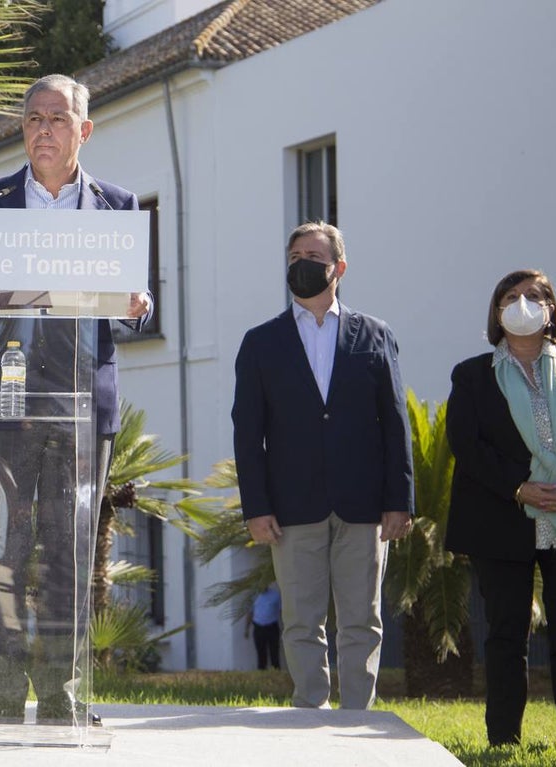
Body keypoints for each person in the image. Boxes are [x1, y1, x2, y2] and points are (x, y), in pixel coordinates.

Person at [0, 74, 153, 727]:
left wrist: (140, 306)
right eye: (33, 118)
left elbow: (137, 305)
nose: (44, 130)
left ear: (84, 130)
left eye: (59, 118)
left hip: (84, 408)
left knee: (68, 554)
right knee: (4, 550)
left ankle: (61, 696)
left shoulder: (118, 206)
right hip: (6, 406)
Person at [231, 221, 413, 710]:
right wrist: (256, 506)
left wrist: (400, 500)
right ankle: (309, 714)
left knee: (361, 620)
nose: (302, 264)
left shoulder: (376, 335)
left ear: (339, 268)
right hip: (292, 507)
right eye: (294, 257)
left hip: (364, 506)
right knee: (301, 620)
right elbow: (248, 434)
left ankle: (358, 718)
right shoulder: (260, 342)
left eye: (313, 255)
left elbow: (396, 422)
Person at [444, 269, 556, 746]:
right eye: (512, 295)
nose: (523, 303)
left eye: (535, 295)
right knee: (506, 635)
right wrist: (520, 488)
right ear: (497, 310)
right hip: (502, 519)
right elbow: (466, 444)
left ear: (551, 311)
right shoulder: (471, 375)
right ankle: (504, 740)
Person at [245, 582, 282, 670]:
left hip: (272, 628)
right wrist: (246, 629)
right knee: (261, 655)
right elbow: (250, 613)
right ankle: (262, 676)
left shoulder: (275, 595)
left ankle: (276, 676)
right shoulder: (254, 596)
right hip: (258, 628)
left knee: (274, 654)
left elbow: (281, 611)